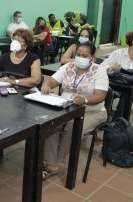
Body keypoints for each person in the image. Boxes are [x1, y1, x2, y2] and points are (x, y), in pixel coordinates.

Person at [41, 41, 108, 179]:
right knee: (50, 124)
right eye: (78, 55)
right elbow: (52, 81)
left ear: (92, 57)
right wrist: (47, 85)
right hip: (66, 108)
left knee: (73, 125)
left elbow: (100, 96)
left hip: (92, 111)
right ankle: (51, 162)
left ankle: (55, 161)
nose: (81, 58)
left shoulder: (99, 71)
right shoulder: (69, 66)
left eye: (85, 55)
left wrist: (85, 100)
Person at [101, 30, 133, 118]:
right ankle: (115, 119)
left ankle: (117, 121)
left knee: (127, 94)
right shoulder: (118, 53)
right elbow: (101, 67)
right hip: (115, 87)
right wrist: (111, 68)